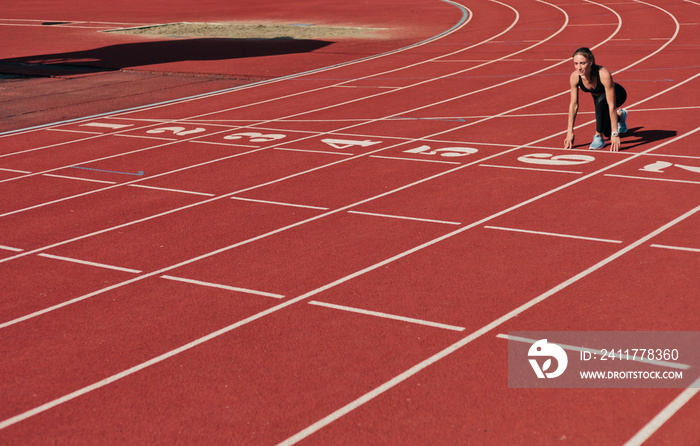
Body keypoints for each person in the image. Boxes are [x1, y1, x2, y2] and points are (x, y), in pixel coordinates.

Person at [564, 47, 628, 151]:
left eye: (582, 63)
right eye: (576, 63)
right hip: (599, 98)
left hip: (617, 94)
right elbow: (574, 105)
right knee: (607, 131)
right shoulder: (575, 77)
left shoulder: (603, 74)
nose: (579, 67)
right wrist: (569, 132)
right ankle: (621, 115)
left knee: (601, 103)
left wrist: (615, 133)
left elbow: (611, 105)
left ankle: (598, 137)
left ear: (591, 62)